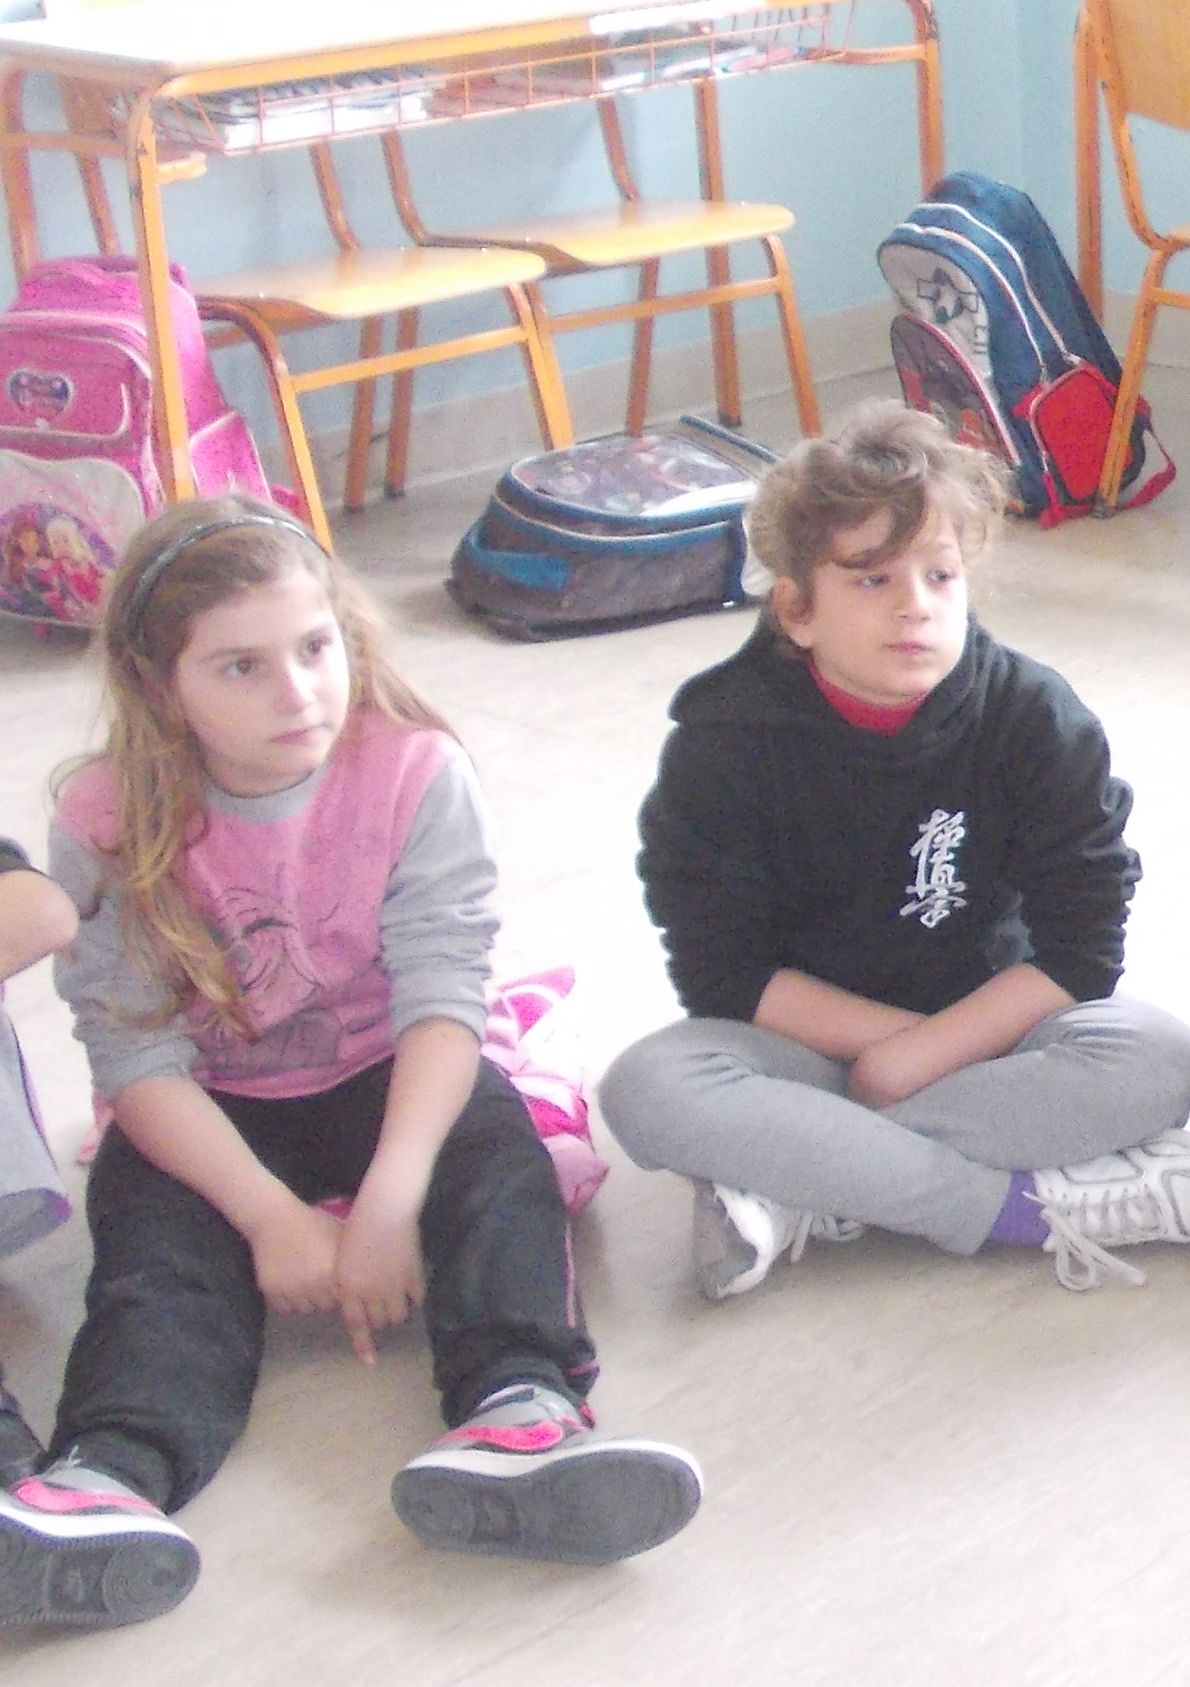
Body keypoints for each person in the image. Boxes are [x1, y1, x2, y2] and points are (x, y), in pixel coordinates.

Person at [0, 501, 699, 1630]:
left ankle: (518, 1412)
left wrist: (391, 1195)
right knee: (156, 1270)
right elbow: (133, 1052)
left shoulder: (413, 769)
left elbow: (444, 994)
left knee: (497, 1169)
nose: (298, 693)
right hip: (206, 1103)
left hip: (392, 1069)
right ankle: (107, 1477)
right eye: (241, 666)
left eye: (314, 648)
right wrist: (270, 1217)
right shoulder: (106, 812)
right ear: (160, 684)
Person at [600, 406, 1190, 1299]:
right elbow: (723, 975)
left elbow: (1082, 951)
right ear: (797, 609)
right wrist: (895, 1050)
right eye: (871, 578)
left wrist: (931, 1054)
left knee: (1158, 1055)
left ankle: (798, 1183)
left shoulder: (1034, 718)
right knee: (647, 1088)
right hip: (805, 1049)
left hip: (995, 1037)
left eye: (940, 575)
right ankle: (1015, 1208)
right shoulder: (722, 741)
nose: (914, 607)